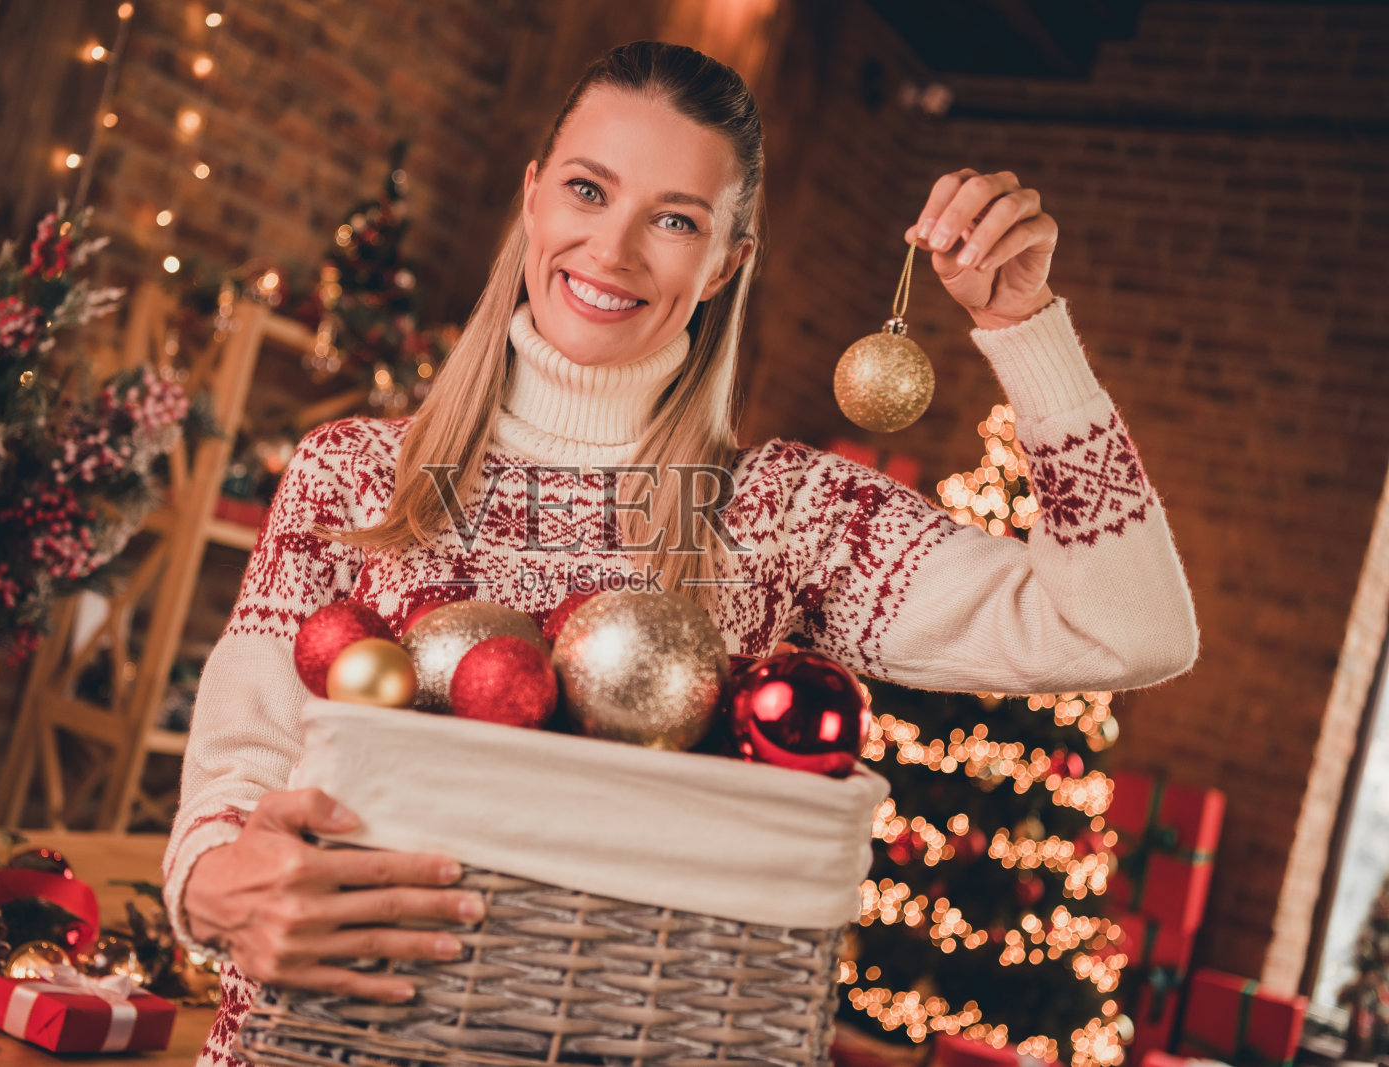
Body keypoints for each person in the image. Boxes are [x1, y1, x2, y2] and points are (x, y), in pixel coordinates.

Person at [165, 40, 1198, 1065]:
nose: (611, 251)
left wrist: (1025, 325)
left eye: (672, 219)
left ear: (725, 262)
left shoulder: (783, 511)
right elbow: (240, 755)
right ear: (533, 200)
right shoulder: (350, 473)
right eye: (586, 190)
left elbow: (1126, 626)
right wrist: (211, 881)